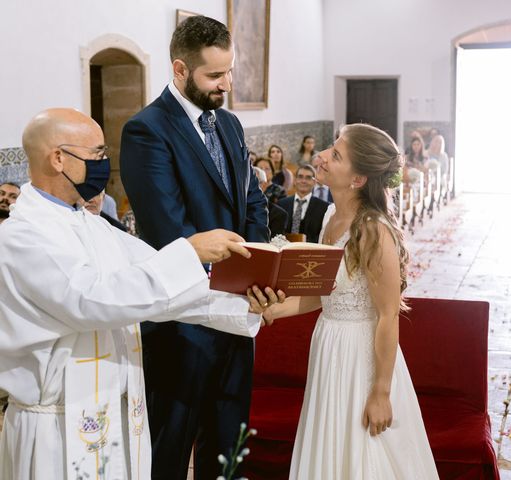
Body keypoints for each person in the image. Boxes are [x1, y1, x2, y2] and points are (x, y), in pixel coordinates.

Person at [0, 108, 283, 480]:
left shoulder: (92, 225)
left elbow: (166, 291)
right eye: (98, 154)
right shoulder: (21, 236)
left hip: (112, 415)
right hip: (55, 428)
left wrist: (243, 302)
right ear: (58, 158)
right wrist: (190, 251)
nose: (105, 164)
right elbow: (90, 300)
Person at [119, 16, 270, 478]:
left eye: (230, 72)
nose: (226, 84)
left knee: (227, 445)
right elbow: (169, 229)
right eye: (214, 76)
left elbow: (252, 201)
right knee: (170, 446)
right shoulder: (148, 130)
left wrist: (261, 270)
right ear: (180, 69)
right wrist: (224, 280)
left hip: (236, 315)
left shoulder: (229, 124)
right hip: (182, 322)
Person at [265, 124, 439, 479]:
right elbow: (325, 293)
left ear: (358, 179)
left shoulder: (373, 229)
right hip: (328, 346)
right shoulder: (331, 216)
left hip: (360, 357)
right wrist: (271, 310)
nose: (323, 157)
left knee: (364, 456)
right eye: (331, 148)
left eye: (337, 155)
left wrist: (381, 392)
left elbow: (389, 315)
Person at [279, 165, 329, 243]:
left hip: (310, 252)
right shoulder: (282, 204)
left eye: (308, 178)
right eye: (300, 177)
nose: (303, 181)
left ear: (314, 182)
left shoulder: (324, 207)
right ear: (295, 180)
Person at [253, 166, 288, 237]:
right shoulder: (235, 209)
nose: (249, 187)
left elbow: (274, 245)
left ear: (264, 186)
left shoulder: (278, 215)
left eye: (254, 182)